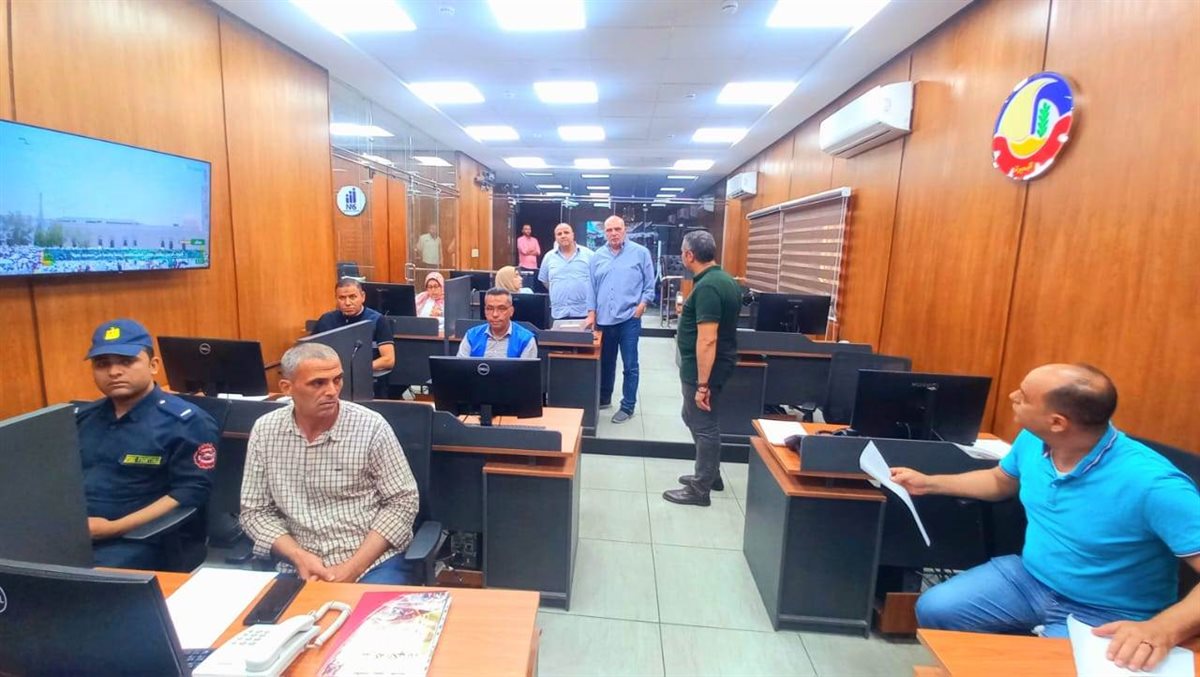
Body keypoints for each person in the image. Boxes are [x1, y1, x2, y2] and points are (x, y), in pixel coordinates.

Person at [892, 363, 1200, 672]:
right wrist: (930, 483)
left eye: (1024, 396)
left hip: (1107, 610)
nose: (1012, 396)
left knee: (1051, 669)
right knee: (937, 608)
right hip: (1031, 579)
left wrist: (1162, 629)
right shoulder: (1034, 440)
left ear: (1057, 422)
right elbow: (1001, 481)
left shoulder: (1155, 485)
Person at [240, 342, 420, 584]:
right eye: (318, 383)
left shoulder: (370, 426)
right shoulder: (265, 430)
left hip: (371, 562)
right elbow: (255, 512)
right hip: (297, 564)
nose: (332, 391)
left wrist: (352, 568)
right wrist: (298, 556)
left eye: (337, 380)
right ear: (286, 388)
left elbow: (402, 502)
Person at [75, 318, 219, 568]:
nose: (114, 372)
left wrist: (114, 528)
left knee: (74, 581)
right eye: (102, 364)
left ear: (153, 365)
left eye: (126, 361)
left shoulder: (186, 422)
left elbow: (189, 492)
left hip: (140, 538)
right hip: (73, 532)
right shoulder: (82, 418)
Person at [662, 231, 741, 507]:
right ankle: (711, 474)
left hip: (705, 369)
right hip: (710, 366)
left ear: (689, 255)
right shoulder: (724, 279)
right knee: (691, 416)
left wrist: (702, 385)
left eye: (682, 252)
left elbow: (708, 339)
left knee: (704, 424)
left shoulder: (708, 286)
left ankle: (700, 488)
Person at [587, 215, 656, 424]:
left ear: (625, 230)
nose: (614, 233)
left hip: (629, 319)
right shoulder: (597, 256)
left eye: (617, 229)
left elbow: (649, 285)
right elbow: (591, 287)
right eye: (609, 230)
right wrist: (592, 312)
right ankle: (604, 398)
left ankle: (628, 406)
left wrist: (642, 306)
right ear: (604, 233)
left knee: (630, 364)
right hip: (604, 320)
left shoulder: (640, 253)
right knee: (606, 362)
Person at [311, 277, 395, 396]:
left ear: (363, 297)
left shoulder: (377, 320)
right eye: (342, 298)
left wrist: (356, 369)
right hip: (330, 380)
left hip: (366, 379)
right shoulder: (326, 320)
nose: (347, 303)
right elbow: (309, 352)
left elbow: (388, 360)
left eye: (352, 297)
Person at [456, 287, 538, 358]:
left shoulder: (526, 340)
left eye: (501, 308)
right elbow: (460, 368)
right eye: (490, 309)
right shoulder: (471, 335)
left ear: (511, 311)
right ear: (485, 311)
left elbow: (526, 371)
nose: (495, 314)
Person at [538, 222, 594, 322]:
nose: (563, 236)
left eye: (566, 232)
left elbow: (596, 280)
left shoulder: (589, 255)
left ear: (573, 235)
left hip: (584, 313)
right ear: (555, 238)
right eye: (559, 234)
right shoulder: (548, 257)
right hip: (559, 313)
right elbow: (545, 280)